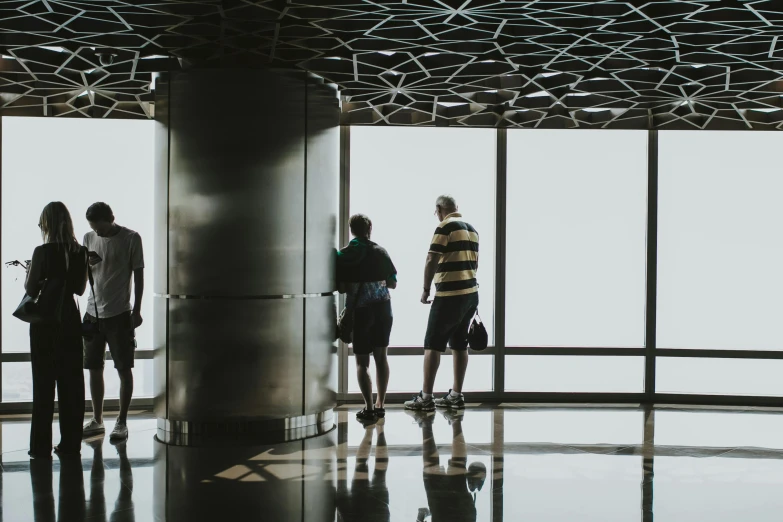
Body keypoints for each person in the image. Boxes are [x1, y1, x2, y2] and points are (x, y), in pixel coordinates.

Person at [26, 202, 88, 459]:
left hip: (45, 323)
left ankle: (40, 447)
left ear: (48, 223)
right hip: (70, 322)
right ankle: (70, 444)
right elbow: (80, 290)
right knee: (71, 385)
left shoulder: (42, 251)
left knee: (43, 385)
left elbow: (31, 291)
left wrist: (33, 271)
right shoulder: (80, 252)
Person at [405, 196, 479, 412]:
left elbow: (431, 258)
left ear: (439, 209)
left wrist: (426, 288)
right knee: (459, 344)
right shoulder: (472, 230)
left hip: (449, 295)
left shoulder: (444, 227)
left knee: (433, 344)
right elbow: (475, 263)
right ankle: (456, 395)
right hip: (470, 294)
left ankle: (426, 398)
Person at [81, 202, 145, 442]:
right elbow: (84, 274)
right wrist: (86, 264)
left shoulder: (131, 238)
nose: (97, 233)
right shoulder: (88, 238)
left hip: (120, 314)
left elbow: (139, 275)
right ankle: (97, 419)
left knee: (123, 368)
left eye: (100, 228)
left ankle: (122, 421)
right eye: (93, 228)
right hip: (92, 312)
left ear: (110, 219)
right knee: (93, 368)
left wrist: (137, 310)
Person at [337, 214, 397, 423]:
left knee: (362, 362)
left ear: (351, 230)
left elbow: (342, 287)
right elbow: (392, 284)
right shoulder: (381, 252)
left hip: (361, 312)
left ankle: (369, 408)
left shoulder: (344, 255)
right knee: (381, 358)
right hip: (383, 310)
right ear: (370, 227)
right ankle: (381, 404)